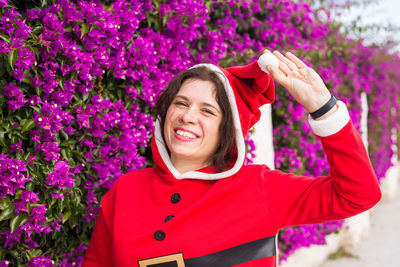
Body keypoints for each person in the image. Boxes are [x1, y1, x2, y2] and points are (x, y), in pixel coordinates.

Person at [83, 50, 381, 267]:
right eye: (181, 103)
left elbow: (357, 195)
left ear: (229, 128)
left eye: (207, 111)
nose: (187, 117)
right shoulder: (125, 190)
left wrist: (323, 107)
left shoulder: (258, 188)